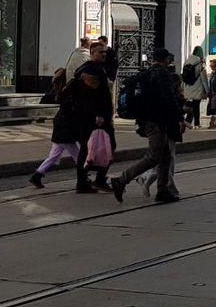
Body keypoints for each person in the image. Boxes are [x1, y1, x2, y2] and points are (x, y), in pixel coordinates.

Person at [111, 47, 183, 204]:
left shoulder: (146, 73)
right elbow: (169, 98)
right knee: (154, 156)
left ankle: (162, 190)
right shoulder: (162, 74)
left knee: (165, 157)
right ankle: (121, 180)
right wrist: (179, 117)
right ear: (165, 60)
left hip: (149, 120)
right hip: (156, 121)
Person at [73, 43, 116, 191]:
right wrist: (98, 115)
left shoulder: (95, 69)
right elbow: (90, 97)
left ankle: (90, 179)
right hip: (94, 118)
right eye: (100, 52)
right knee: (92, 148)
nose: (103, 54)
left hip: (93, 116)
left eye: (105, 52)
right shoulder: (91, 70)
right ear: (92, 52)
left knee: (90, 148)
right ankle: (86, 181)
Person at [30, 71, 79, 187]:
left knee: (53, 156)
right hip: (66, 132)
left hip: (60, 130)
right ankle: (83, 178)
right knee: (78, 156)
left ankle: (37, 175)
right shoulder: (68, 92)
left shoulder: (61, 91)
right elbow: (72, 112)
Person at [181, 46, 209, 128]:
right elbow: (204, 78)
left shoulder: (186, 61)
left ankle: (188, 121)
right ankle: (196, 123)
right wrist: (207, 90)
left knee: (191, 105)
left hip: (188, 87)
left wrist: (182, 87)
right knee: (196, 106)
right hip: (197, 87)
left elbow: (184, 76)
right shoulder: (200, 63)